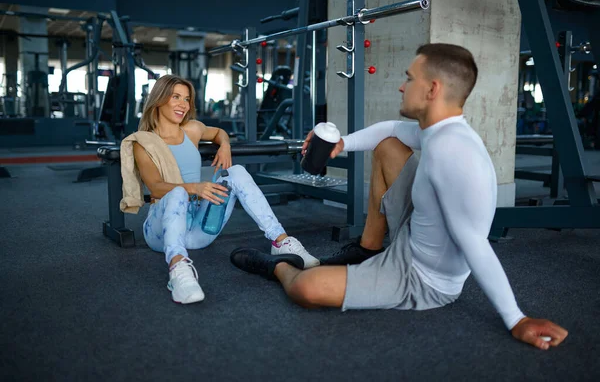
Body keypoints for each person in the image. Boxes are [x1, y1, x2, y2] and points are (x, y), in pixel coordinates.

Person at [230, 43, 569, 350]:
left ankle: (279, 268)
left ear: (432, 89)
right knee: (390, 147)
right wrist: (342, 143)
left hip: (421, 277)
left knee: (307, 288)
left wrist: (516, 319)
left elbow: (474, 243)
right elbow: (391, 130)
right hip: (414, 232)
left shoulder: (453, 152)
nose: (402, 86)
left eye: (410, 78)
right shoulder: (440, 131)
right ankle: (368, 249)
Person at [119, 75, 320, 304]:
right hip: (160, 232)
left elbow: (218, 133)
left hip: (197, 231)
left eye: (186, 99)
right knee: (176, 192)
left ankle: (281, 241)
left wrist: (224, 145)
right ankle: (178, 269)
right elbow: (155, 188)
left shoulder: (192, 129)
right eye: (176, 97)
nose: (183, 105)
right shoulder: (143, 142)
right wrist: (194, 187)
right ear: (159, 100)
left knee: (237, 172)